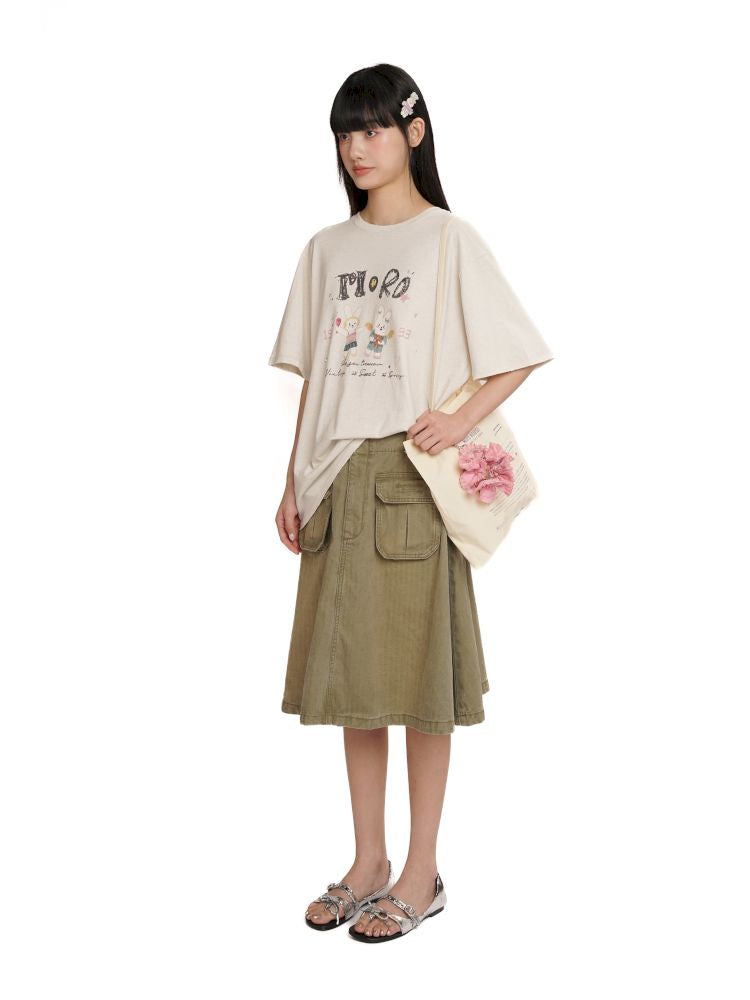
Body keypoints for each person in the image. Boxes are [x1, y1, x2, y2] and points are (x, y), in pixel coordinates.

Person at [268, 64, 554, 942]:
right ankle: (369, 863)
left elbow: (517, 349)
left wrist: (458, 419)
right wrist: (292, 479)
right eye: (344, 133)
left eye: (373, 129)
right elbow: (317, 379)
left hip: (411, 480)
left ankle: (421, 872)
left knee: (423, 686)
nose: (356, 148)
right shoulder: (326, 249)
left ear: (413, 133)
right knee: (354, 686)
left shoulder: (448, 240)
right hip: (336, 477)